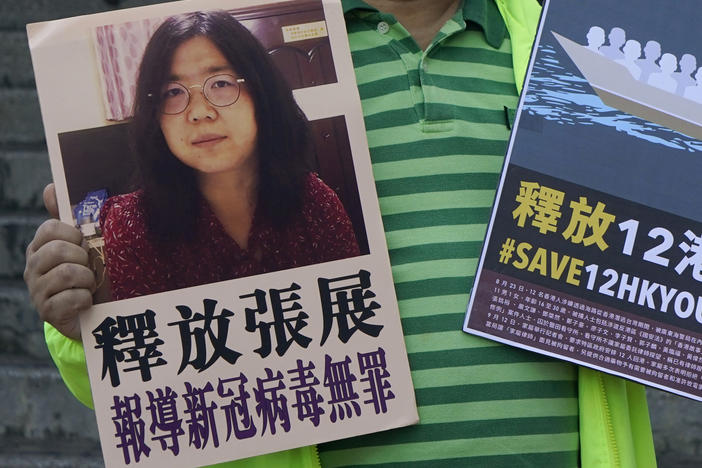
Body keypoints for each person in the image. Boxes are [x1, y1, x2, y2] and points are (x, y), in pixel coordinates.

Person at [25, 1, 657, 467]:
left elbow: (649, 283)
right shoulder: (131, 217)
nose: (200, 108)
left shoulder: (588, 45)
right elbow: (138, 383)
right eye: (174, 93)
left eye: (221, 85)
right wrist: (75, 322)